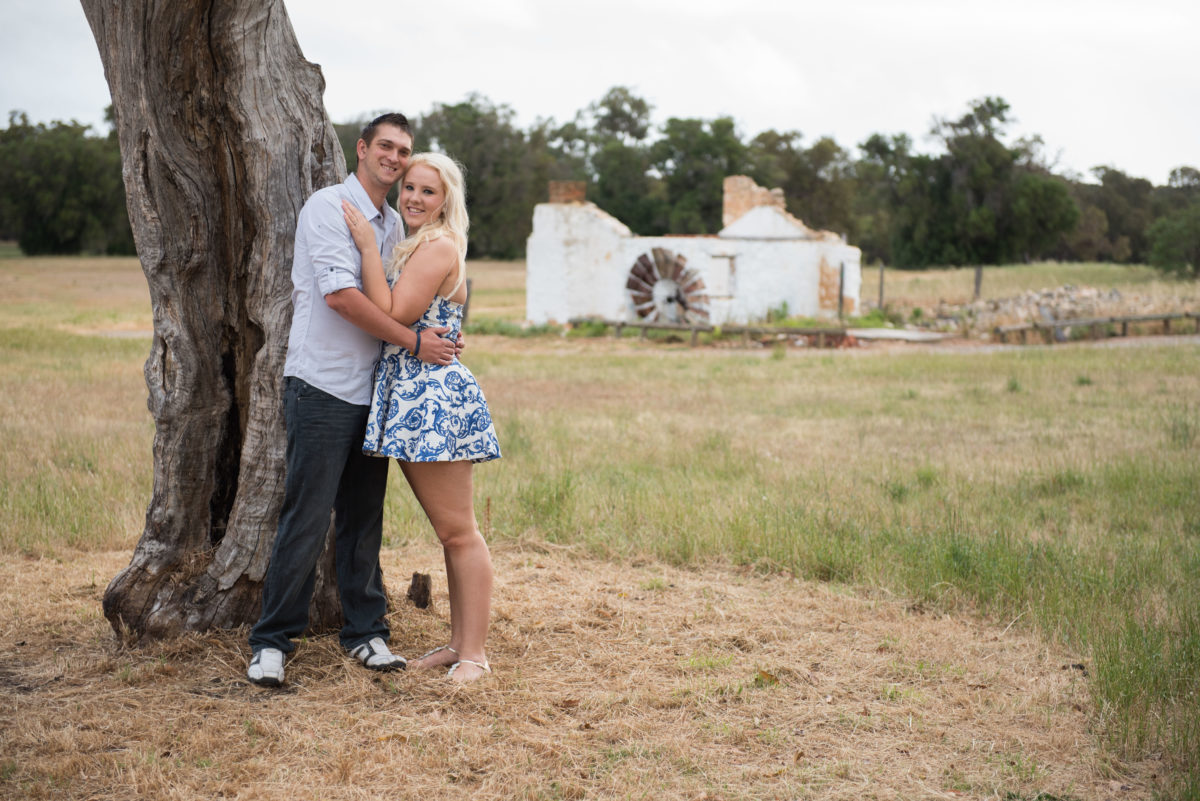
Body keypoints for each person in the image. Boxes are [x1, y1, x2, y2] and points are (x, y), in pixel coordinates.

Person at [247, 114, 459, 688]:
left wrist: (445, 329)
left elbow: (406, 297)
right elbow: (341, 296)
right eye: (385, 146)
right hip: (322, 385)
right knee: (307, 517)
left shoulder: (395, 223)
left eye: (404, 151)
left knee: (364, 520)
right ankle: (271, 641)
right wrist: (416, 341)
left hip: (376, 393)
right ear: (361, 149)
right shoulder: (328, 208)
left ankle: (366, 634)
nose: (394, 158)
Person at [342, 152, 501, 683]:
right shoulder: (420, 245)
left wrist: (366, 245)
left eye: (428, 192)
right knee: (448, 533)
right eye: (409, 187)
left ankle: (475, 653)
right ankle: (458, 643)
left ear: (445, 201)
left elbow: (392, 313)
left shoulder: (436, 247)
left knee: (459, 533)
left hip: (432, 399)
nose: (413, 198)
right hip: (413, 396)